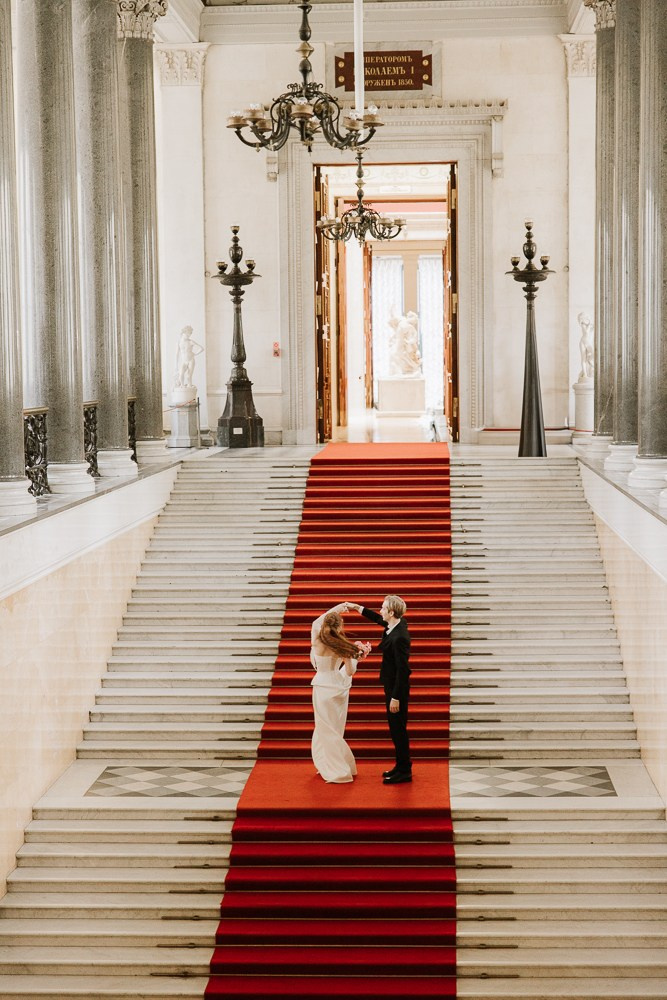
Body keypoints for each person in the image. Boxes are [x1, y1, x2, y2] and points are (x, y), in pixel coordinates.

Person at [346, 596, 412, 784]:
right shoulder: (396, 624)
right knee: (395, 729)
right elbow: (378, 619)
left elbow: (403, 670)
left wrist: (396, 698)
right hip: (391, 686)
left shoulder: (399, 638)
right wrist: (357, 607)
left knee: (398, 730)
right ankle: (400, 766)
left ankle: (405, 770)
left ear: (391, 612)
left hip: (396, 690)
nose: (380, 610)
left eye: (383, 608)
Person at [310, 603, 370, 784]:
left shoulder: (316, 639)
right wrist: (359, 657)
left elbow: (315, 622)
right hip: (336, 688)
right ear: (339, 626)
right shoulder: (342, 646)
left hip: (320, 686)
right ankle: (338, 765)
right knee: (335, 728)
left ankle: (328, 764)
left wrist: (339, 607)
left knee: (323, 728)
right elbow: (350, 672)